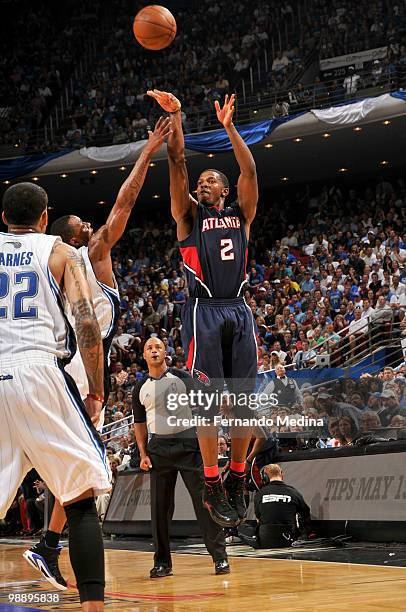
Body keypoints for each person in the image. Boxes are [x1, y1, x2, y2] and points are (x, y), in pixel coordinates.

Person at [23, 116, 172, 589]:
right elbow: (124, 204)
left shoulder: (60, 261)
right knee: (82, 466)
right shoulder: (85, 256)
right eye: (83, 225)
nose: (93, 226)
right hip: (70, 368)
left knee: (64, 464)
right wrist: (148, 153)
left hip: (55, 366)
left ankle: (48, 545)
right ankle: (55, 550)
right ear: (67, 238)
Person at [148, 90, 258, 528]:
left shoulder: (242, 214)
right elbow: (177, 164)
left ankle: (235, 476)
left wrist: (230, 127)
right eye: (201, 182)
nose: (202, 184)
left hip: (238, 308)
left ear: (225, 189)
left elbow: (249, 168)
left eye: (210, 180)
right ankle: (211, 480)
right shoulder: (189, 217)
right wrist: (177, 117)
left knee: (245, 403)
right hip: (203, 311)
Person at [0, 182, 111, 611]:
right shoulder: (60, 252)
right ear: (46, 217)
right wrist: (97, 389)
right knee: (81, 494)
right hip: (37, 370)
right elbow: (87, 327)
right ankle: (92, 605)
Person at [132, 338, 229, 578]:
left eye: (158, 347)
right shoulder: (139, 387)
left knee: (204, 501)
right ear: (144, 356)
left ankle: (220, 558)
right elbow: (139, 425)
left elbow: (205, 399)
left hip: (188, 444)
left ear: (165, 352)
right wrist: (143, 454)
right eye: (149, 348)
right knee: (160, 509)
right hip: (158, 450)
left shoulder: (181, 376)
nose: (154, 351)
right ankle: (162, 563)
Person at [239, 464, 311, 548]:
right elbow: (306, 514)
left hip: (265, 540)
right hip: (288, 539)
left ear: (264, 477)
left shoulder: (260, 493)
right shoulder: (293, 492)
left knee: (241, 528)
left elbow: (259, 518)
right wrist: (303, 533)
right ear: (281, 475)